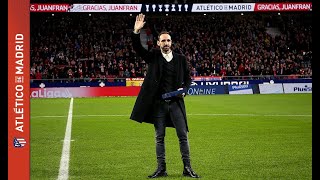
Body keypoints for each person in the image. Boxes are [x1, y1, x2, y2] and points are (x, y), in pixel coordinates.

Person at [130, 13, 200, 178]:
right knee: (159, 137)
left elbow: (189, 79)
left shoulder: (180, 59)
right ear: (158, 43)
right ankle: (161, 169)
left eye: (168, 40)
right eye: (163, 40)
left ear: (171, 42)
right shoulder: (153, 56)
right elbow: (138, 49)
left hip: (176, 103)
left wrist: (184, 89)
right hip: (158, 105)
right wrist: (136, 31)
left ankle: (187, 168)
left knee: (183, 136)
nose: (166, 43)